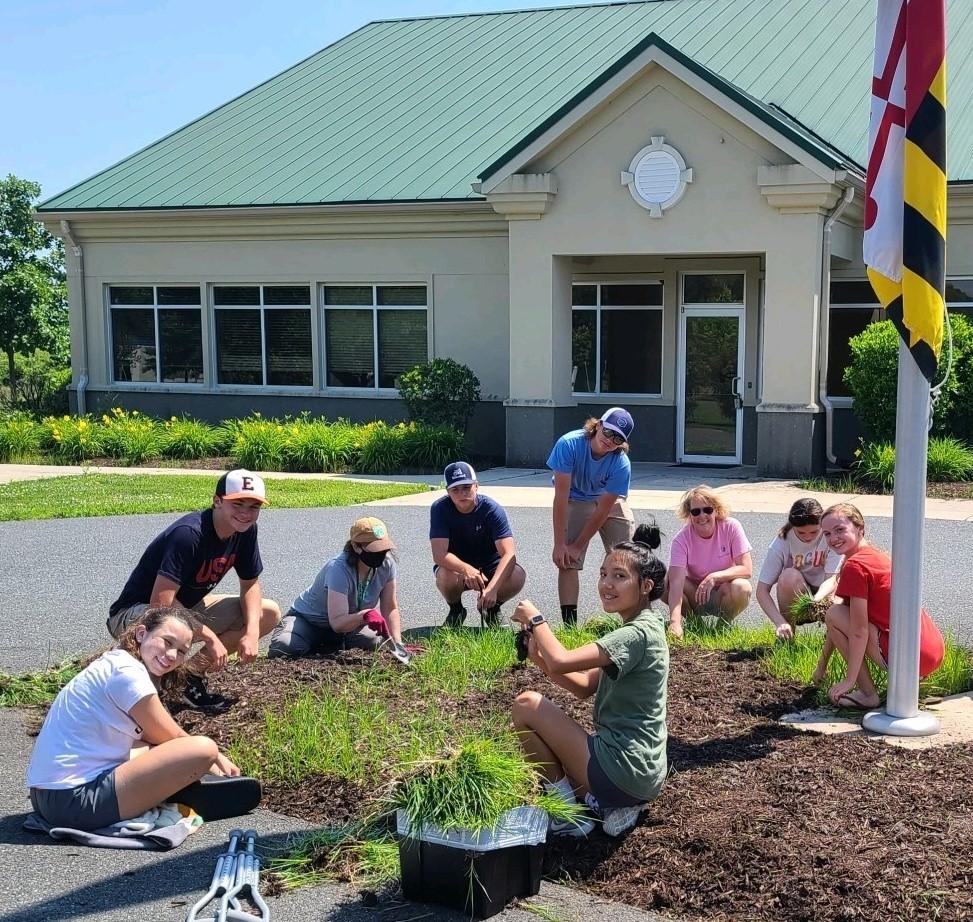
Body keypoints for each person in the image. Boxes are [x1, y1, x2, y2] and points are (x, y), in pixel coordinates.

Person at [510, 524, 668, 838]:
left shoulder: (635, 634)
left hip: (623, 768)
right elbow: (583, 686)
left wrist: (536, 619)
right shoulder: (648, 625)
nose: (606, 584)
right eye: (603, 573)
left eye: (620, 576)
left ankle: (569, 816)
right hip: (642, 773)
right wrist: (538, 658)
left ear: (646, 585)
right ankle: (609, 805)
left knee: (525, 705)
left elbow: (562, 660)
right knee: (553, 746)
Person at [26, 607, 239, 832]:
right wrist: (215, 760)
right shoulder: (129, 674)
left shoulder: (115, 662)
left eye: (181, 651)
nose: (172, 655)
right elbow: (174, 737)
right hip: (73, 802)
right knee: (202, 748)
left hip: (47, 798)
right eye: (167, 642)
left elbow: (151, 736)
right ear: (141, 634)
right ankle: (189, 787)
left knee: (146, 746)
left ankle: (181, 786)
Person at [107, 469, 281, 712]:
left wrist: (251, 633)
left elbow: (250, 583)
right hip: (135, 614)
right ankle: (137, 685)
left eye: (254, 507)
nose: (245, 513)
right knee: (166, 629)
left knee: (268, 612)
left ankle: (188, 677)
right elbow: (161, 603)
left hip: (181, 611)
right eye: (237, 503)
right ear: (217, 501)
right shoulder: (189, 534)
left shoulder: (245, 532)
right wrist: (209, 637)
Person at [817, 503, 945, 709]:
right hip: (933, 651)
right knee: (837, 614)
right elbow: (842, 624)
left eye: (840, 530)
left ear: (860, 528)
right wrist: (821, 667)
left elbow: (858, 631)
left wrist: (849, 680)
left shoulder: (855, 566)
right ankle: (912, 684)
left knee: (834, 613)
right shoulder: (876, 556)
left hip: (914, 657)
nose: (833, 538)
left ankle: (868, 694)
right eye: (827, 533)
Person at [268, 516, 405, 658]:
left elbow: (390, 608)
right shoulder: (338, 568)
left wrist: (397, 644)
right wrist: (364, 615)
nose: (380, 554)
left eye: (383, 548)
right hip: (310, 621)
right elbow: (338, 622)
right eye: (374, 549)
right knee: (284, 647)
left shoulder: (387, 565)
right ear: (356, 546)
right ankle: (311, 640)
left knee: (374, 642)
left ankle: (328, 644)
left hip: (348, 626)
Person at [548, 408, 636, 626]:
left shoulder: (621, 463)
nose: (609, 440)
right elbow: (560, 499)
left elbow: (603, 510)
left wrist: (580, 543)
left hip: (608, 502)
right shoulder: (569, 444)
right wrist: (562, 544)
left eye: (617, 439)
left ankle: (632, 622)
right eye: (608, 432)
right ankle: (570, 627)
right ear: (597, 425)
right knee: (567, 560)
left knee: (629, 558)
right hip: (574, 498)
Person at [431, 461, 526, 628]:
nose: (462, 493)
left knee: (517, 575)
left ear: (477, 486)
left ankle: (491, 609)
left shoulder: (492, 509)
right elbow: (439, 555)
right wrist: (467, 569)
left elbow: (509, 554)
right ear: (448, 492)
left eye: (467, 487)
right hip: (457, 568)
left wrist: (493, 589)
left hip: (491, 565)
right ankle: (456, 610)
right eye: (455, 489)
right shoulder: (440, 509)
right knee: (444, 575)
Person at [665, 485, 753, 639]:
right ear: (689, 514)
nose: (702, 516)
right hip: (696, 595)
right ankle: (694, 624)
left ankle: (723, 627)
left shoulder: (731, 526)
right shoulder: (681, 540)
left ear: (716, 510)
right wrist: (675, 622)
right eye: (695, 511)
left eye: (707, 510)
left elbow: (746, 569)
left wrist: (714, 577)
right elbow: (676, 583)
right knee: (665, 582)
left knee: (742, 587)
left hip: (724, 593)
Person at [755, 498, 842, 640]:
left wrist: (818, 599)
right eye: (801, 533)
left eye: (814, 532)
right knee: (788, 576)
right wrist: (779, 622)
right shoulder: (783, 540)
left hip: (828, 591)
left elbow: (832, 579)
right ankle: (787, 634)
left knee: (846, 581)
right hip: (800, 593)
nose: (808, 537)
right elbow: (761, 591)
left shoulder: (831, 537)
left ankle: (834, 639)